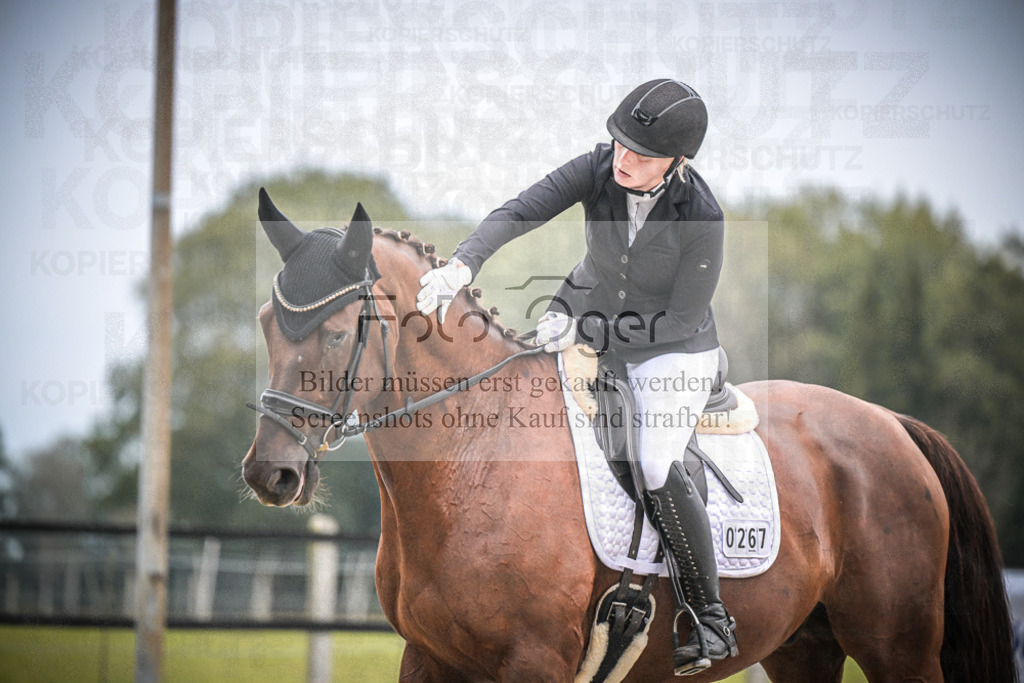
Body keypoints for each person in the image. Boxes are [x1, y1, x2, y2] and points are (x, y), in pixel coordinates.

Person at [416, 78, 737, 675]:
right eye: (619, 144)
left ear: (679, 162)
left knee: (656, 460)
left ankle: (710, 617)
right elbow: (522, 209)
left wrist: (593, 336)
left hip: (674, 349)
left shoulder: (704, 217)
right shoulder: (599, 167)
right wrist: (464, 263)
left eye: (640, 154)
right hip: (588, 309)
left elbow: (679, 319)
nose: (623, 159)